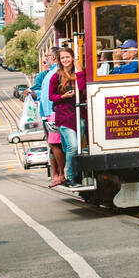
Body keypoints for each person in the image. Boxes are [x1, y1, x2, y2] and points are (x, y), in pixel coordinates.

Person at [48, 46, 85, 187]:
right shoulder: (55, 76)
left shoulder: (79, 72)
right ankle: (70, 177)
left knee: (78, 148)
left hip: (79, 114)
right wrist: (63, 96)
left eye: (67, 57)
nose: (65, 60)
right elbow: (51, 97)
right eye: (62, 58)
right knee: (73, 147)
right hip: (64, 116)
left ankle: (77, 174)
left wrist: (79, 70)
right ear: (59, 60)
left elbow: (82, 89)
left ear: (72, 58)